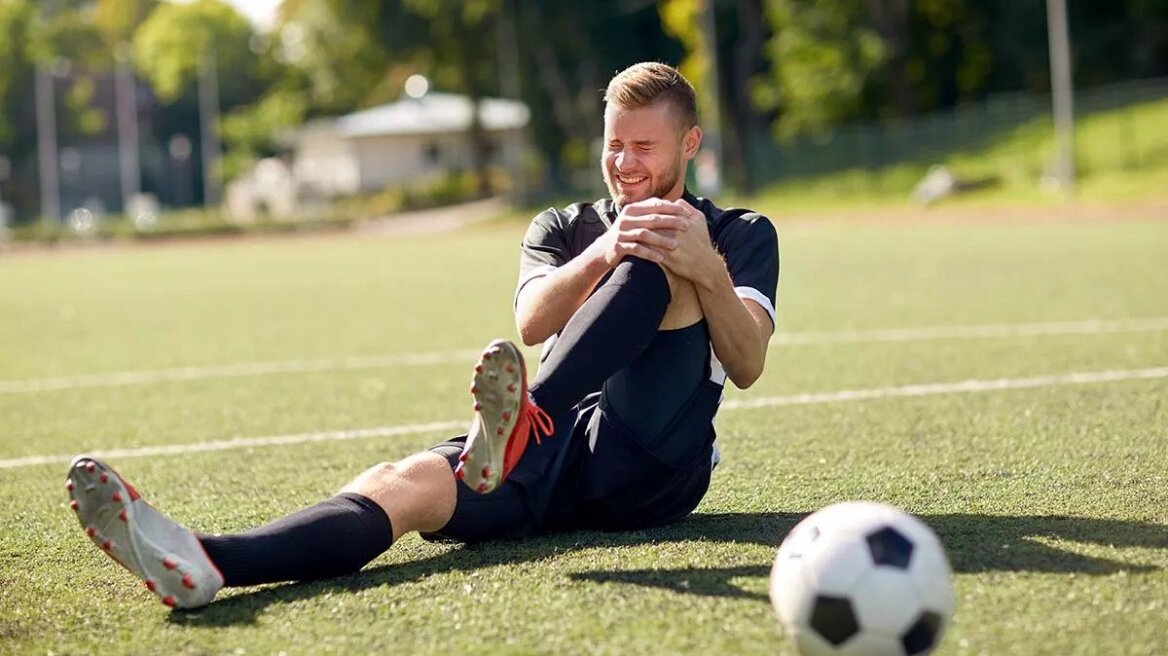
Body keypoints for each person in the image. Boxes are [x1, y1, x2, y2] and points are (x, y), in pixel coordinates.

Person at [65, 62, 779, 609]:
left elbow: (746, 365)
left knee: (667, 257)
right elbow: (532, 322)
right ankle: (207, 561)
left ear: (689, 142)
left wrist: (706, 270)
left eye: (643, 147)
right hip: (550, 450)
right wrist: (604, 250)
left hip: (650, 459)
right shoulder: (561, 227)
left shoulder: (742, 233)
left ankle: (523, 424)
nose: (625, 163)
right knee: (402, 485)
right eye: (613, 146)